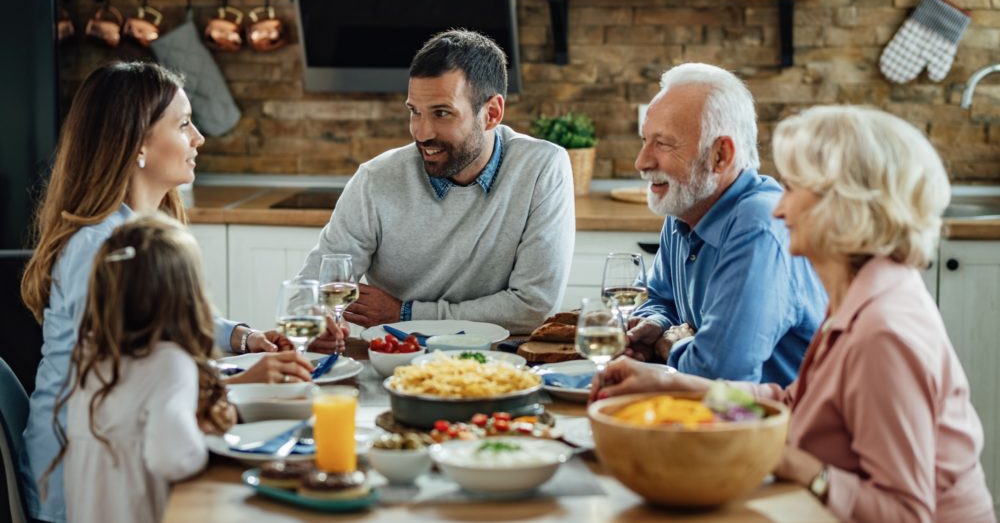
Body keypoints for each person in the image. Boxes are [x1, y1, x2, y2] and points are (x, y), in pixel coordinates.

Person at [595, 105, 995, 522]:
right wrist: (667, 384)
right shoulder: (862, 293)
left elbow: (906, 513)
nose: (780, 210)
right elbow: (792, 400)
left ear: (845, 204)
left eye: (795, 188)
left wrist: (792, 463)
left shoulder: (883, 332)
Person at [17, 61, 321, 523]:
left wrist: (240, 337)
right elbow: (126, 382)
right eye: (183, 124)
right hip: (82, 483)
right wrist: (243, 381)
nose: (198, 138)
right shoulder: (100, 250)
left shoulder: (135, 229)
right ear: (137, 142)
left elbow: (156, 326)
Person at [296, 29, 574, 334]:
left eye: (442, 113)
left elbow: (533, 307)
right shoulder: (376, 179)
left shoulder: (540, 167)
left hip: (500, 365)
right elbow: (308, 293)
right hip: (396, 359)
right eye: (415, 112)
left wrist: (406, 313)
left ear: (491, 113)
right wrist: (315, 319)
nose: (422, 132)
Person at [627, 63, 825, 385]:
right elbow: (660, 298)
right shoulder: (685, 208)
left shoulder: (758, 225)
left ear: (721, 155)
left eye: (663, 144)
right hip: (714, 419)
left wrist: (671, 346)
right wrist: (657, 324)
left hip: (775, 428)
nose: (642, 161)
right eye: (645, 140)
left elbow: (717, 373)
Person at [44, 214, 235, 523]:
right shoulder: (170, 363)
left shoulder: (90, 354)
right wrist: (204, 435)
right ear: (185, 299)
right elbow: (173, 459)